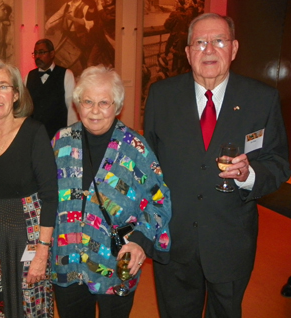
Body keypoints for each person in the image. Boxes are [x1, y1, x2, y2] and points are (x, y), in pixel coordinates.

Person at [144, 13, 291, 318]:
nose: (209, 49)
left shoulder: (261, 100)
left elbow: (277, 162)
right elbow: (149, 168)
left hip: (230, 241)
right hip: (175, 239)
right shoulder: (161, 97)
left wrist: (249, 175)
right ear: (187, 53)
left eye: (219, 41)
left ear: (234, 49)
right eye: (200, 42)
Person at [51, 65, 172, 318]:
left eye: (104, 102)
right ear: (77, 104)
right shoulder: (60, 141)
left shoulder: (135, 149)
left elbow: (159, 200)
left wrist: (140, 241)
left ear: (117, 106)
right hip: (67, 260)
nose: (95, 110)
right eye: (88, 102)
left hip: (116, 264)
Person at [0, 60, 58, 317]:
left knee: (27, 307)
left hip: (27, 240)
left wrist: (42, 251)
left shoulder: (34, 133)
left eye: (3, 87)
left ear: (16, 94)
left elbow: (50, 197)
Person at [25, 38, 78, 139]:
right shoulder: (29, 76)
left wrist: (72, 136)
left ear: (52, 53)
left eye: (41, 52)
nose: (37, 56)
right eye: (35, 53)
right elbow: (25, 109)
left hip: (59, 136)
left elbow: (72, 109)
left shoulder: (66, 75)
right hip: (34, 136)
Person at [45, 0, 94, 74]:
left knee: (81, 60)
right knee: (67, 59)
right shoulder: (67, 5)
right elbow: (58, 15)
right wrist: (47, 26)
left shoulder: (84, 6)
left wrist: (73, 19)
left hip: (80, 37)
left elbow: (90, 23)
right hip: (68, 35)